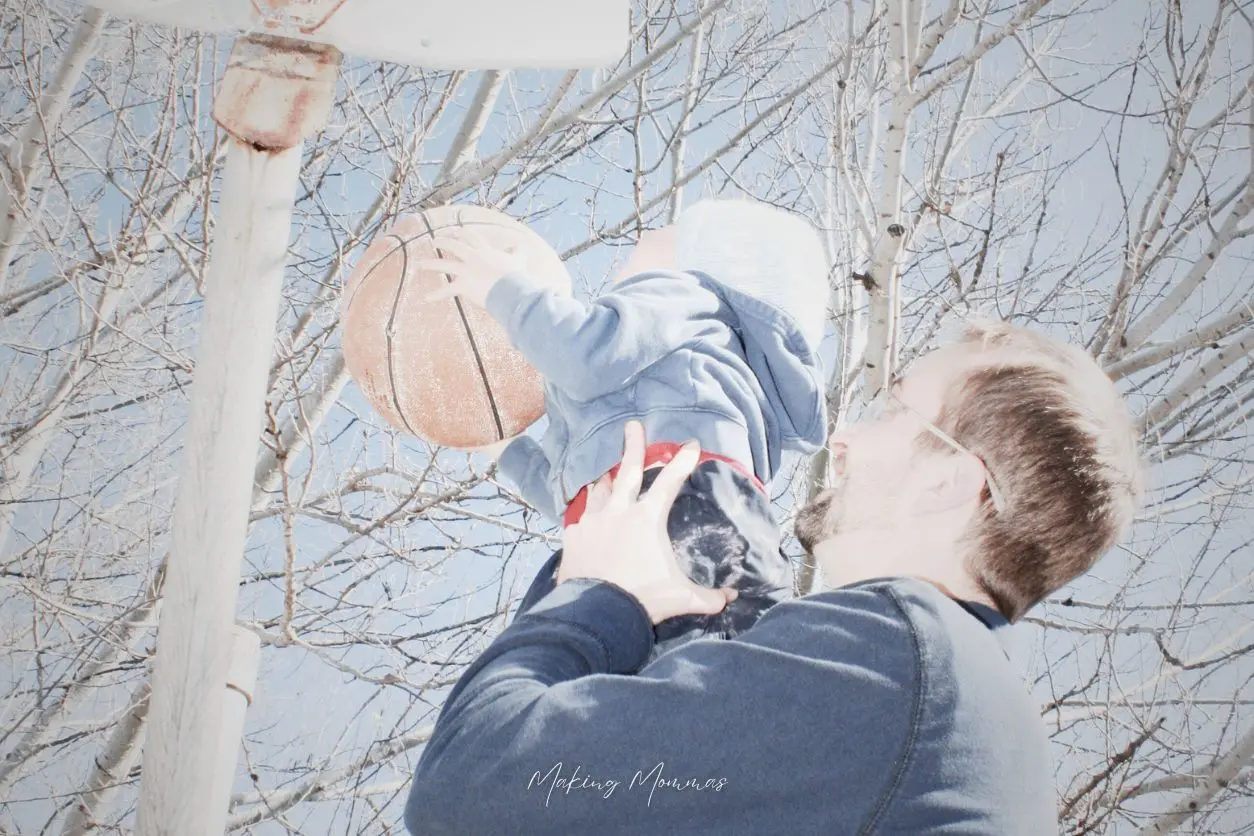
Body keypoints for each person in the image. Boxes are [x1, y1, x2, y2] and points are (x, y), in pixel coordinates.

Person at [402, 319, 1147, 835]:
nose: (847, 436)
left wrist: (594, 596)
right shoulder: (934, 702)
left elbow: (476, 786)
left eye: (894, 410)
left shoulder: (898, 662)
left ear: (949, 482)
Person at [418, 199, 831, 656]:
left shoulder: (685, 292)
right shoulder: (675, 377)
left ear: (704, 255)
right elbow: (570, 495)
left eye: (665, 228)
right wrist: (507, 448)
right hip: (708, 522)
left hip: (674, 504)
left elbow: (581, 353)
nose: (641, 235)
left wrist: (502, 285)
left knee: (551, 675)